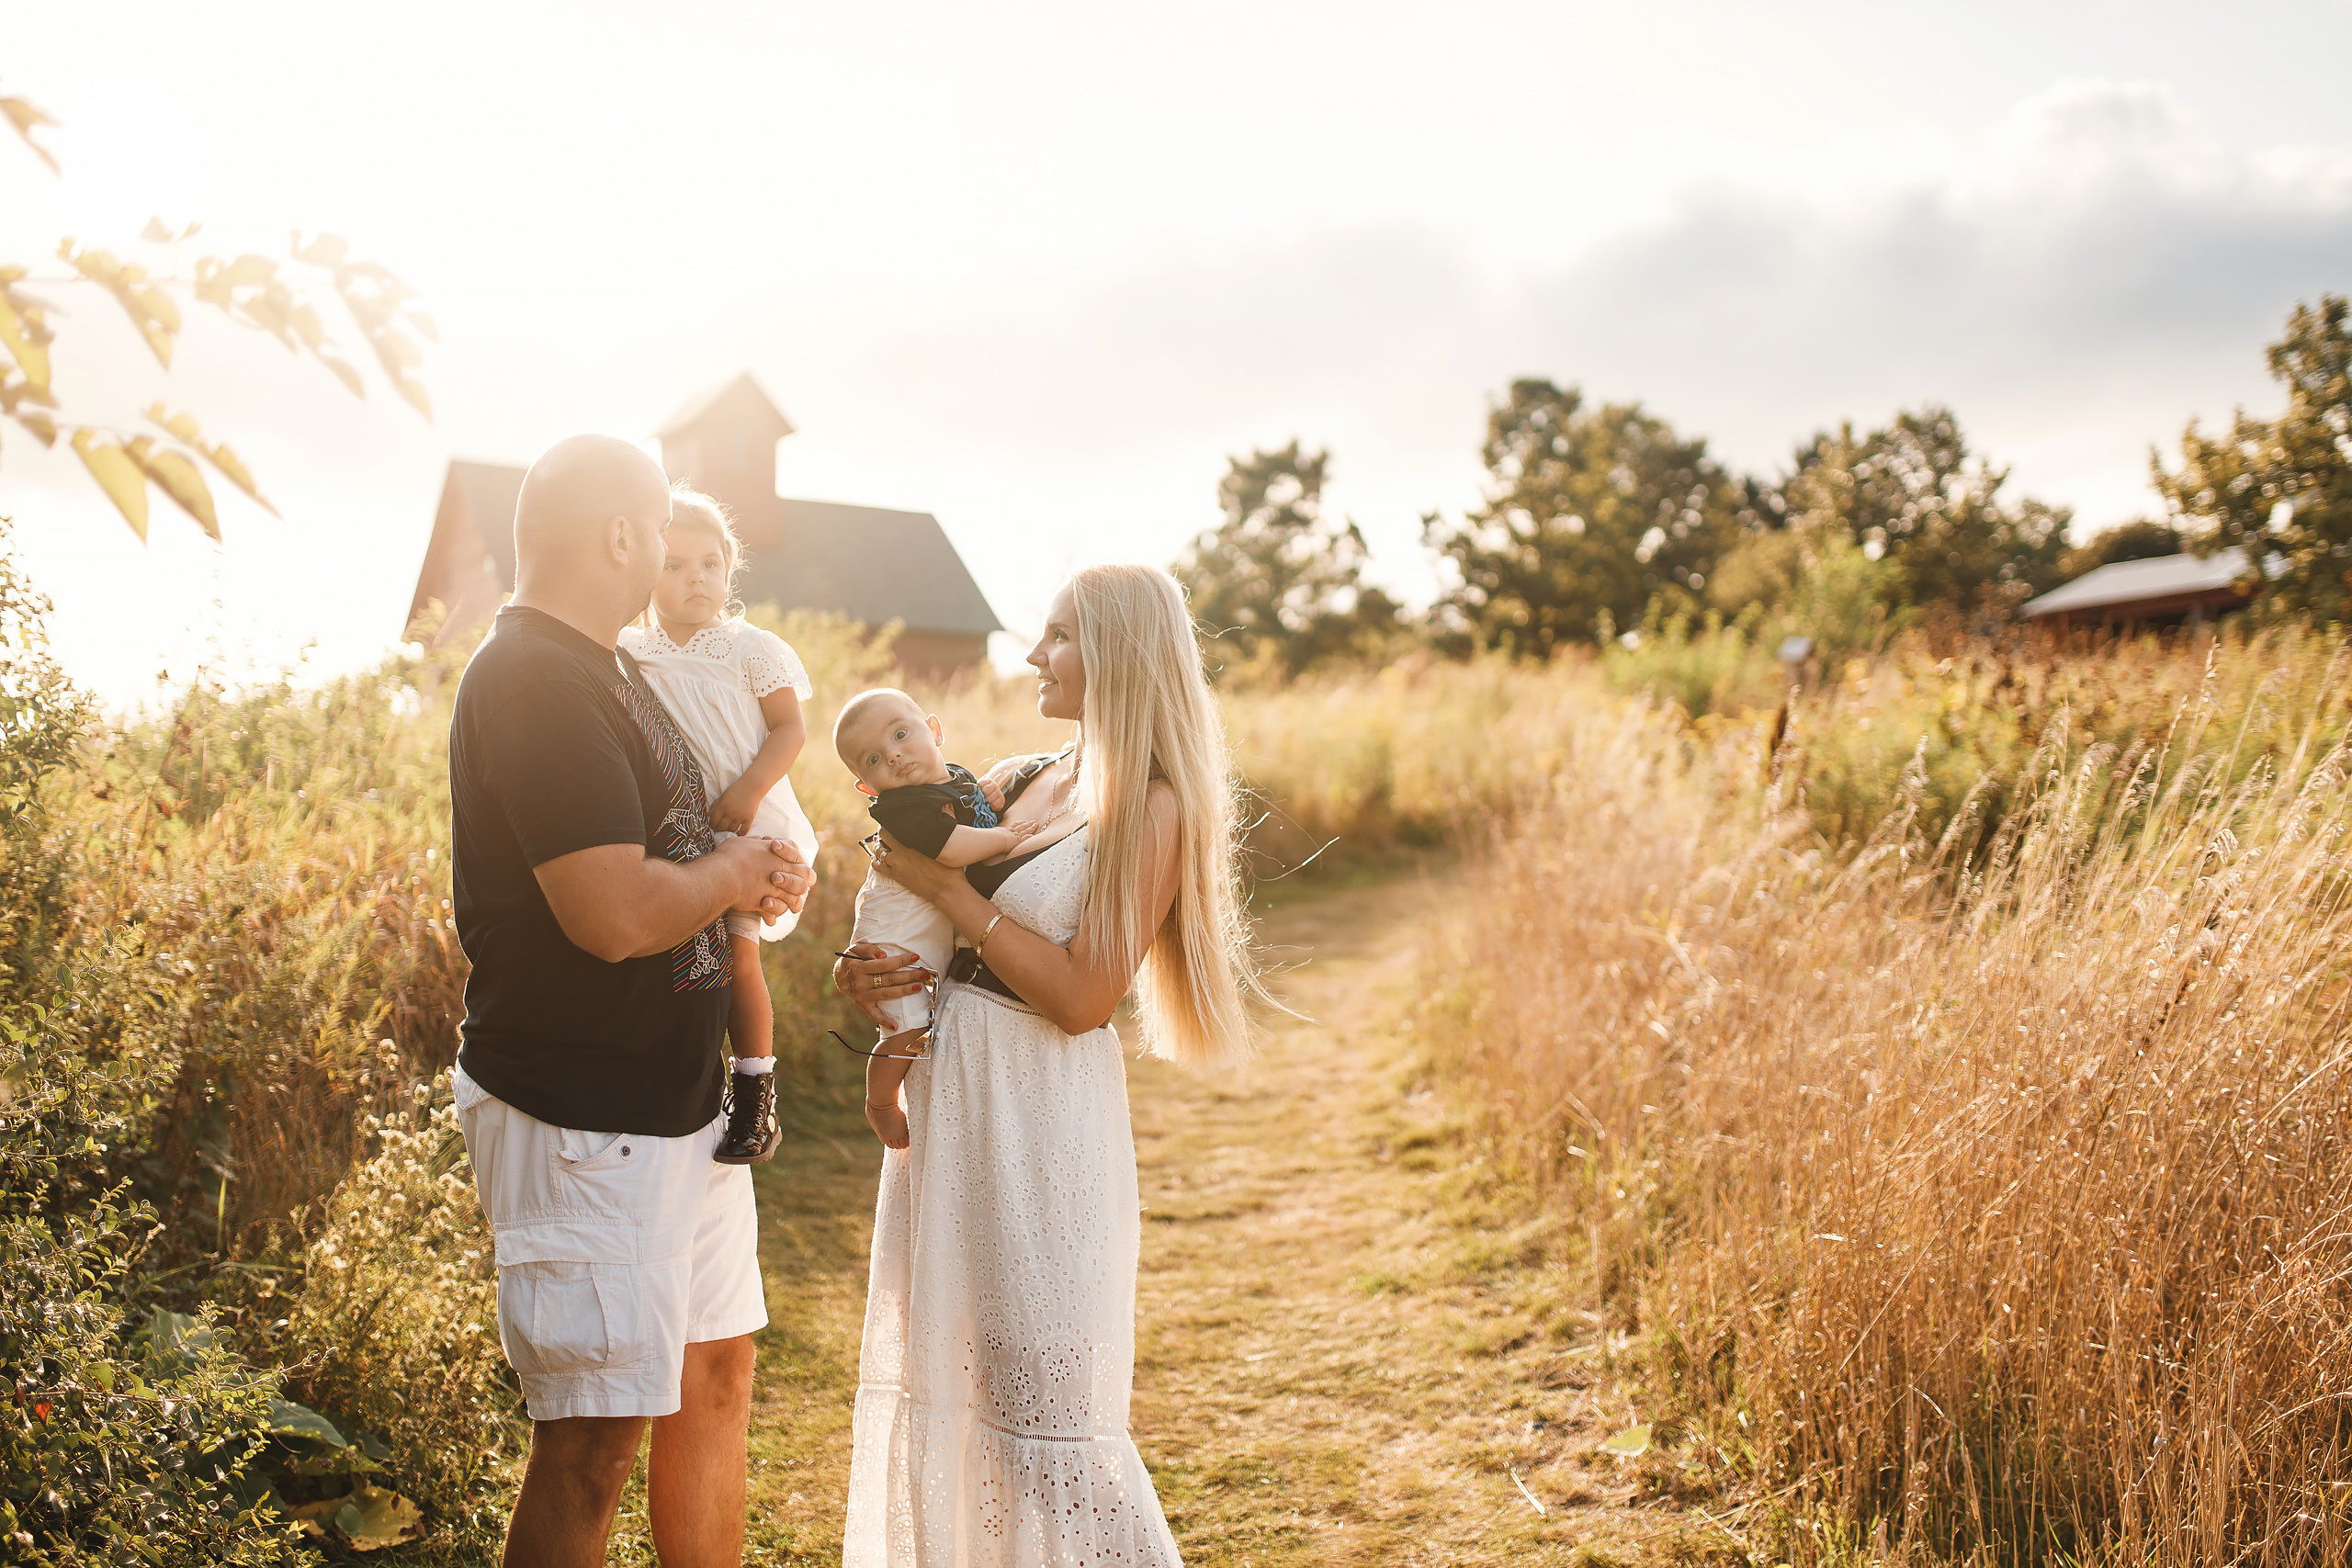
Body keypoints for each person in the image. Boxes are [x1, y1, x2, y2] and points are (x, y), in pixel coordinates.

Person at [831, 562, 1263, 1566]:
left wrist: (950, 903)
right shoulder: (1022, 779)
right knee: (968, 1393)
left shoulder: (1151, 807)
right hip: (955, 1098)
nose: (1033, 653)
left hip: (1042, 1115)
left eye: (1058, 634)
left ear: (1115, 653)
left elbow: (1080, 998)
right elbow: (940, 936)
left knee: (1049, 1417)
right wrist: (883, 978)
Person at [446, 434, 812, 1568]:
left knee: (712, 1377)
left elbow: (680, 842)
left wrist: (757, 860)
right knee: (595, 1442)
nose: (666, 553)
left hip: (679, 1102)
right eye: (658, 532)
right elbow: (611, 913)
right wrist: (737, 875)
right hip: (584, 1116)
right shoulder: (536, 679)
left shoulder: (608, 668)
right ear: (620, 535)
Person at [617, 487, 820, 1165]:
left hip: (747, 819)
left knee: (737, 956)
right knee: (676, 946)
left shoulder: (747, 646)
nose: (694, 578)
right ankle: (671, 1075)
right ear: (645, 568)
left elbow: (790, 728)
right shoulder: (631, 650)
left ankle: (756, 1093)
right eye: (674, 565)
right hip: (680, 827)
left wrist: (750, 788)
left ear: (730, 569)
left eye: (709, 563)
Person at [830, 687, 1043, 1149]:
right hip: (896, 929)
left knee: (922, 1013)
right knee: (910, 1022)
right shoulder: (903, 808)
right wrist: (1004, 838)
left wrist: (988, 799)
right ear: (868, 789)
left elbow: (977, 814)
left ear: (935, 730)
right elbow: (952, 850)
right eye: (873, 760)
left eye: (901, 735)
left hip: (929, 922)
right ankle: (881, 1101)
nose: (895, 756)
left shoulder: (956, 780)